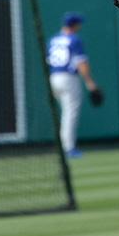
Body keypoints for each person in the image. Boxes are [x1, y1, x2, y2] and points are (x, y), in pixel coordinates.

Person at [46, 11, 101, 159]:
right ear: (74, 24)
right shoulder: (74, 39)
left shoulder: (53, 40)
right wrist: (90, 83)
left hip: (53, 77)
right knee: (70, 113)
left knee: (65, 112)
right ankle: (68, 148)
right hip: (68, 78)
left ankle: (64, 145)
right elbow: (81, 63)